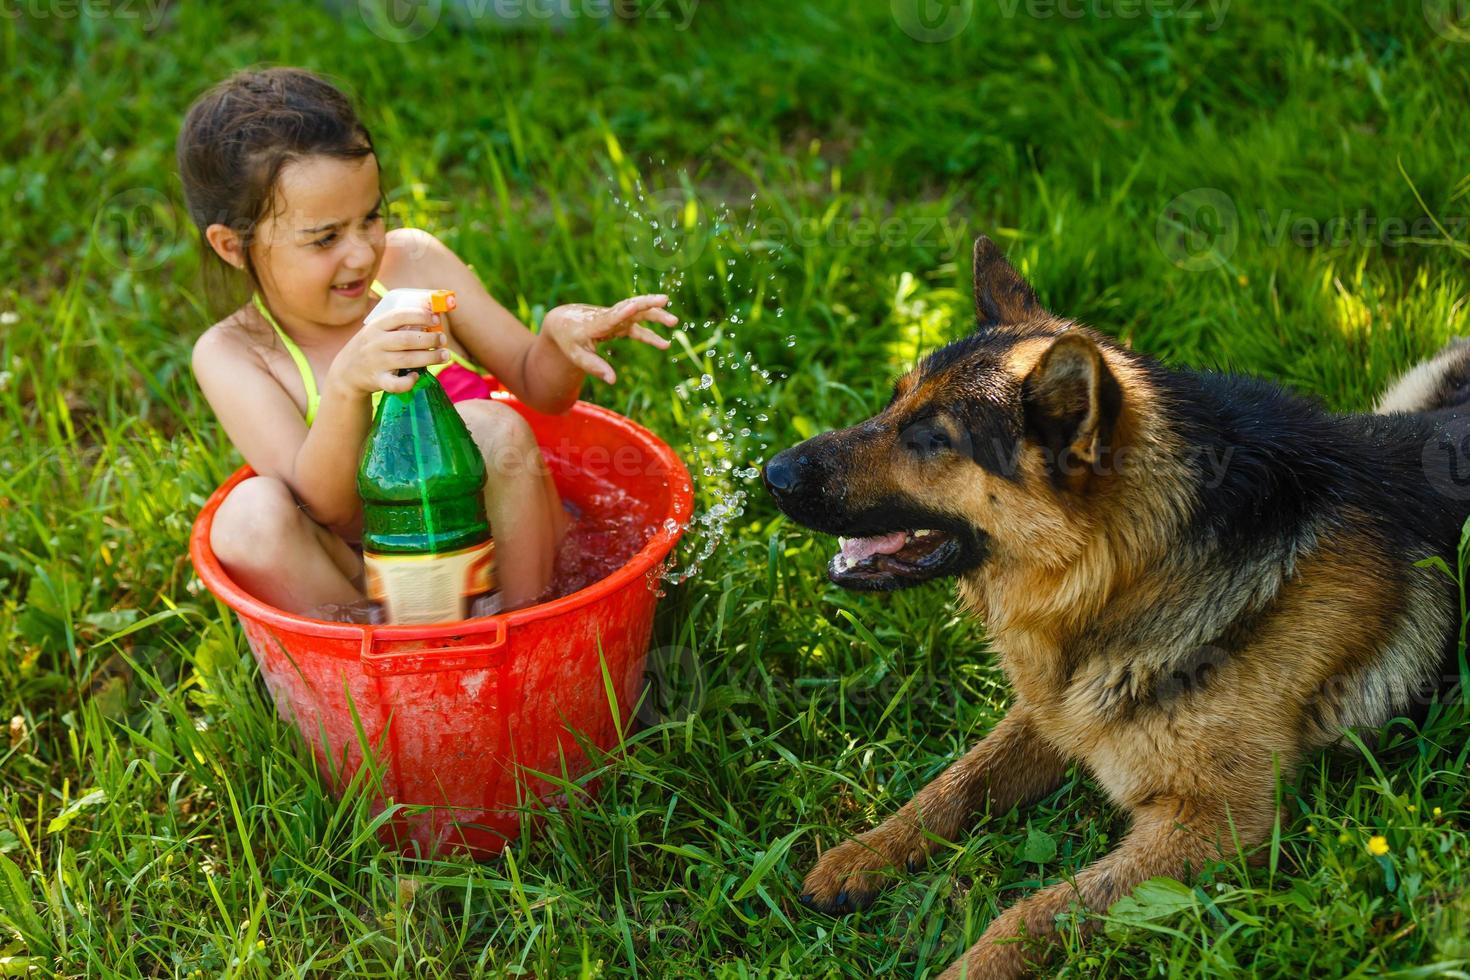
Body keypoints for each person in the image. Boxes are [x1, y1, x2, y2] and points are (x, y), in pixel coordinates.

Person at [179, 67, 675, 616]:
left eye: (370, 218)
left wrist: (559, 337)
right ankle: (377, 670)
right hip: (382, 584)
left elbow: (541, 388)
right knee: (247, 519)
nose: (362, 254)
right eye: (325, 238)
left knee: (490, 425)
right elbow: (332, 512)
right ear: (232, 245)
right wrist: (346, 385)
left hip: (507, 557)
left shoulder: (412, 263)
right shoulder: (239, 353)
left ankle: (531, 633)